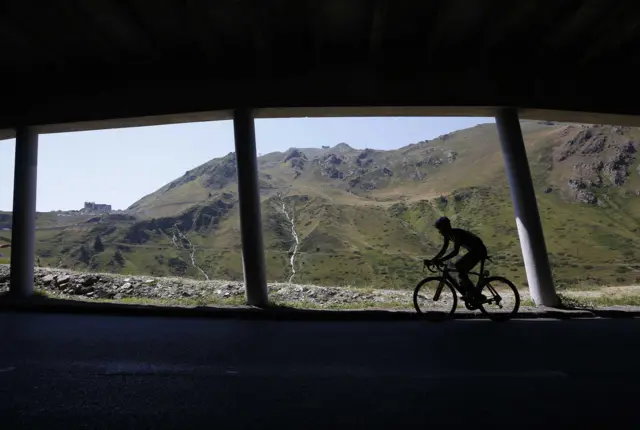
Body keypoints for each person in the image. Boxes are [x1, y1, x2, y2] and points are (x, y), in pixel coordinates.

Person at [426, 216, 487, 301]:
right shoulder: (447, 235)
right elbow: (443, 250)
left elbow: (455, 252)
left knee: (459, 266)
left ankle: (471, 293)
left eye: (440, 229)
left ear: (445, 227)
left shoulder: (456, 234)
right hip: (475, 250)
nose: (439, 232)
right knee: (461, 270)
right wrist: (433, 260)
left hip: (479, 250)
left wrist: (440, 260)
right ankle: (473, 292)